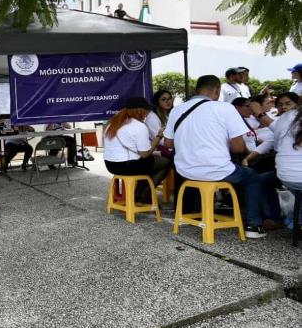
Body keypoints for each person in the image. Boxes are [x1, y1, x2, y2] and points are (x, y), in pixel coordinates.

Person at [163, 75, 280, 238]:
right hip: (216, 170)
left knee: (234, 173)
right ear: (217, 90)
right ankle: (253, 226)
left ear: (197, 90)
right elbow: (238, 147)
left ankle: (200, 214)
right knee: (252, 177)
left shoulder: (177, 110)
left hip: (185, 171)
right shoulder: (224, 108)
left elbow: (168, 143)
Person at [103, 98, 170, 201]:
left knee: (150, 164)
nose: (147, 115)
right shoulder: (139, 126)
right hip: (128, 166)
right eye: (146, 112)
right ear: (140, 111)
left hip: (111, 165)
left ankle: (140, 193)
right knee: (166, 162)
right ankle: (144, 195)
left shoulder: (112, 123)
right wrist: (159, 136)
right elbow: (144, 154)